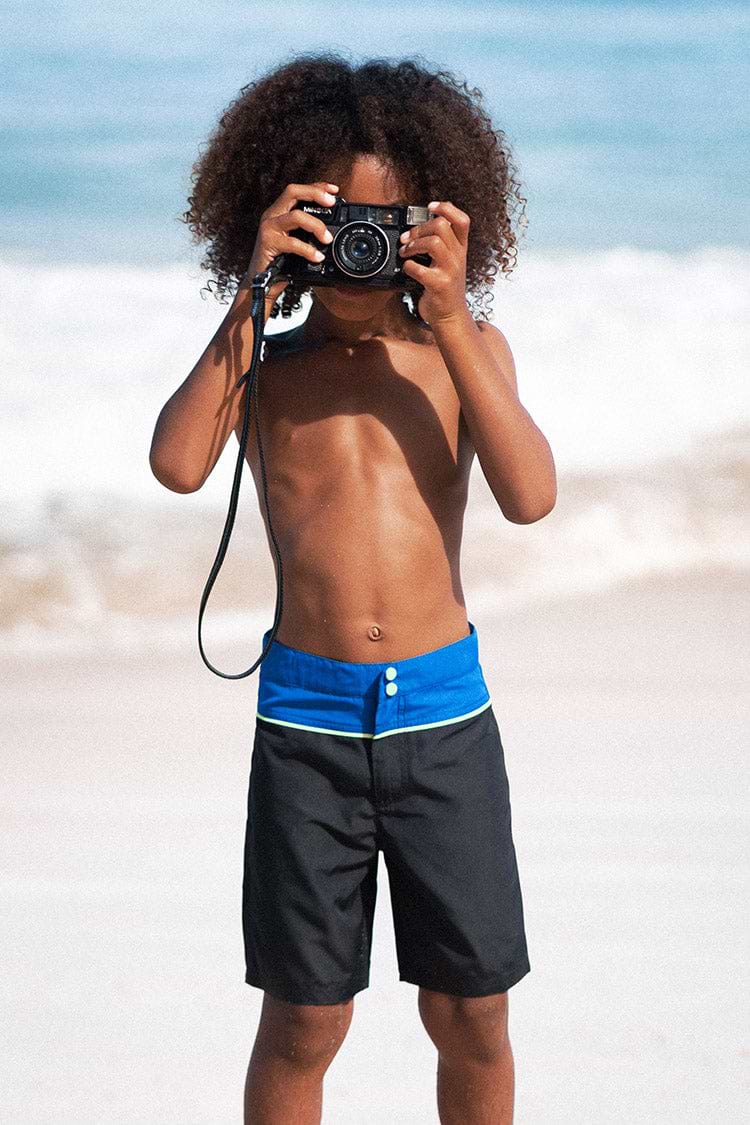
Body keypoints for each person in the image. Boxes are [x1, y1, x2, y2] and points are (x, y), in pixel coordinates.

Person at [150, 52, 556, 1125]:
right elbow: (178, 465)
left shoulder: (467, 354)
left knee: (473, 1010)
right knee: (304, 1019)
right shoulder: (266, 368)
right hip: (306, 726)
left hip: (444, 719)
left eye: (382, 225)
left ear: (433, 224)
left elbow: (530, 496)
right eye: (330, 223)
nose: (355, 250)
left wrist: (454, 319)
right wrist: (252, 293)